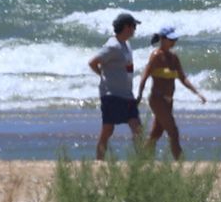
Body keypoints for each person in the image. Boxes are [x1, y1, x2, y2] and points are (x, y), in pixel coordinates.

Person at [136, 25, 207, 160]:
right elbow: (145, 75)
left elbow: (182, 77)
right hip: (157, 99)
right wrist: (139, 94)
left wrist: (197, 93)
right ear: (162, 39)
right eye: (170, 39)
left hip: (169, 101)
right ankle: (181, 162)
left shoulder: (173, 57)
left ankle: (142, 160)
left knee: (156, 133)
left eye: (174, 39)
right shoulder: (156, 56)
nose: (174, 42)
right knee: (173, 132)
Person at [88, 12, 143, 159]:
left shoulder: (126, 44)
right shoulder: (112, 46)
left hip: (126, 95)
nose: (135, 30)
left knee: (137, 128)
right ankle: (99, 161)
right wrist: (102, 75)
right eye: (133, 26)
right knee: (108, 130)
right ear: (126, 27)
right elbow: (93, 62)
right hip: (111, 95)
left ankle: (142, 162)